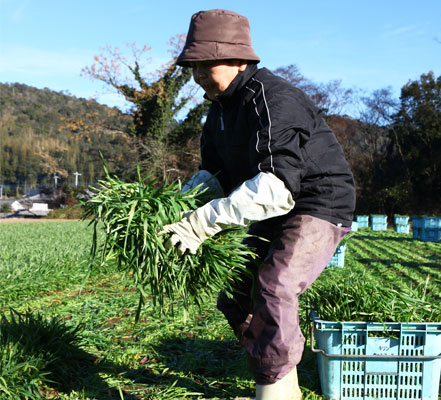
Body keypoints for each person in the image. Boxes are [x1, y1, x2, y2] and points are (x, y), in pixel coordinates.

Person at [161, 9, 356, 400]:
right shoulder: (217, 112)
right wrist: (176, 209)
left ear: (238, 59)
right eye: (192, 67)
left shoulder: (274, 99)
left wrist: (202, 224)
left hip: (316, 203)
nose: (197, 76)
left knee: (274, 286)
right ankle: (279, 377)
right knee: (235, 292)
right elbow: (214, 175)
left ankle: (276, 391)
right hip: (273, 208)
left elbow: (276, 188)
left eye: (205, 65)